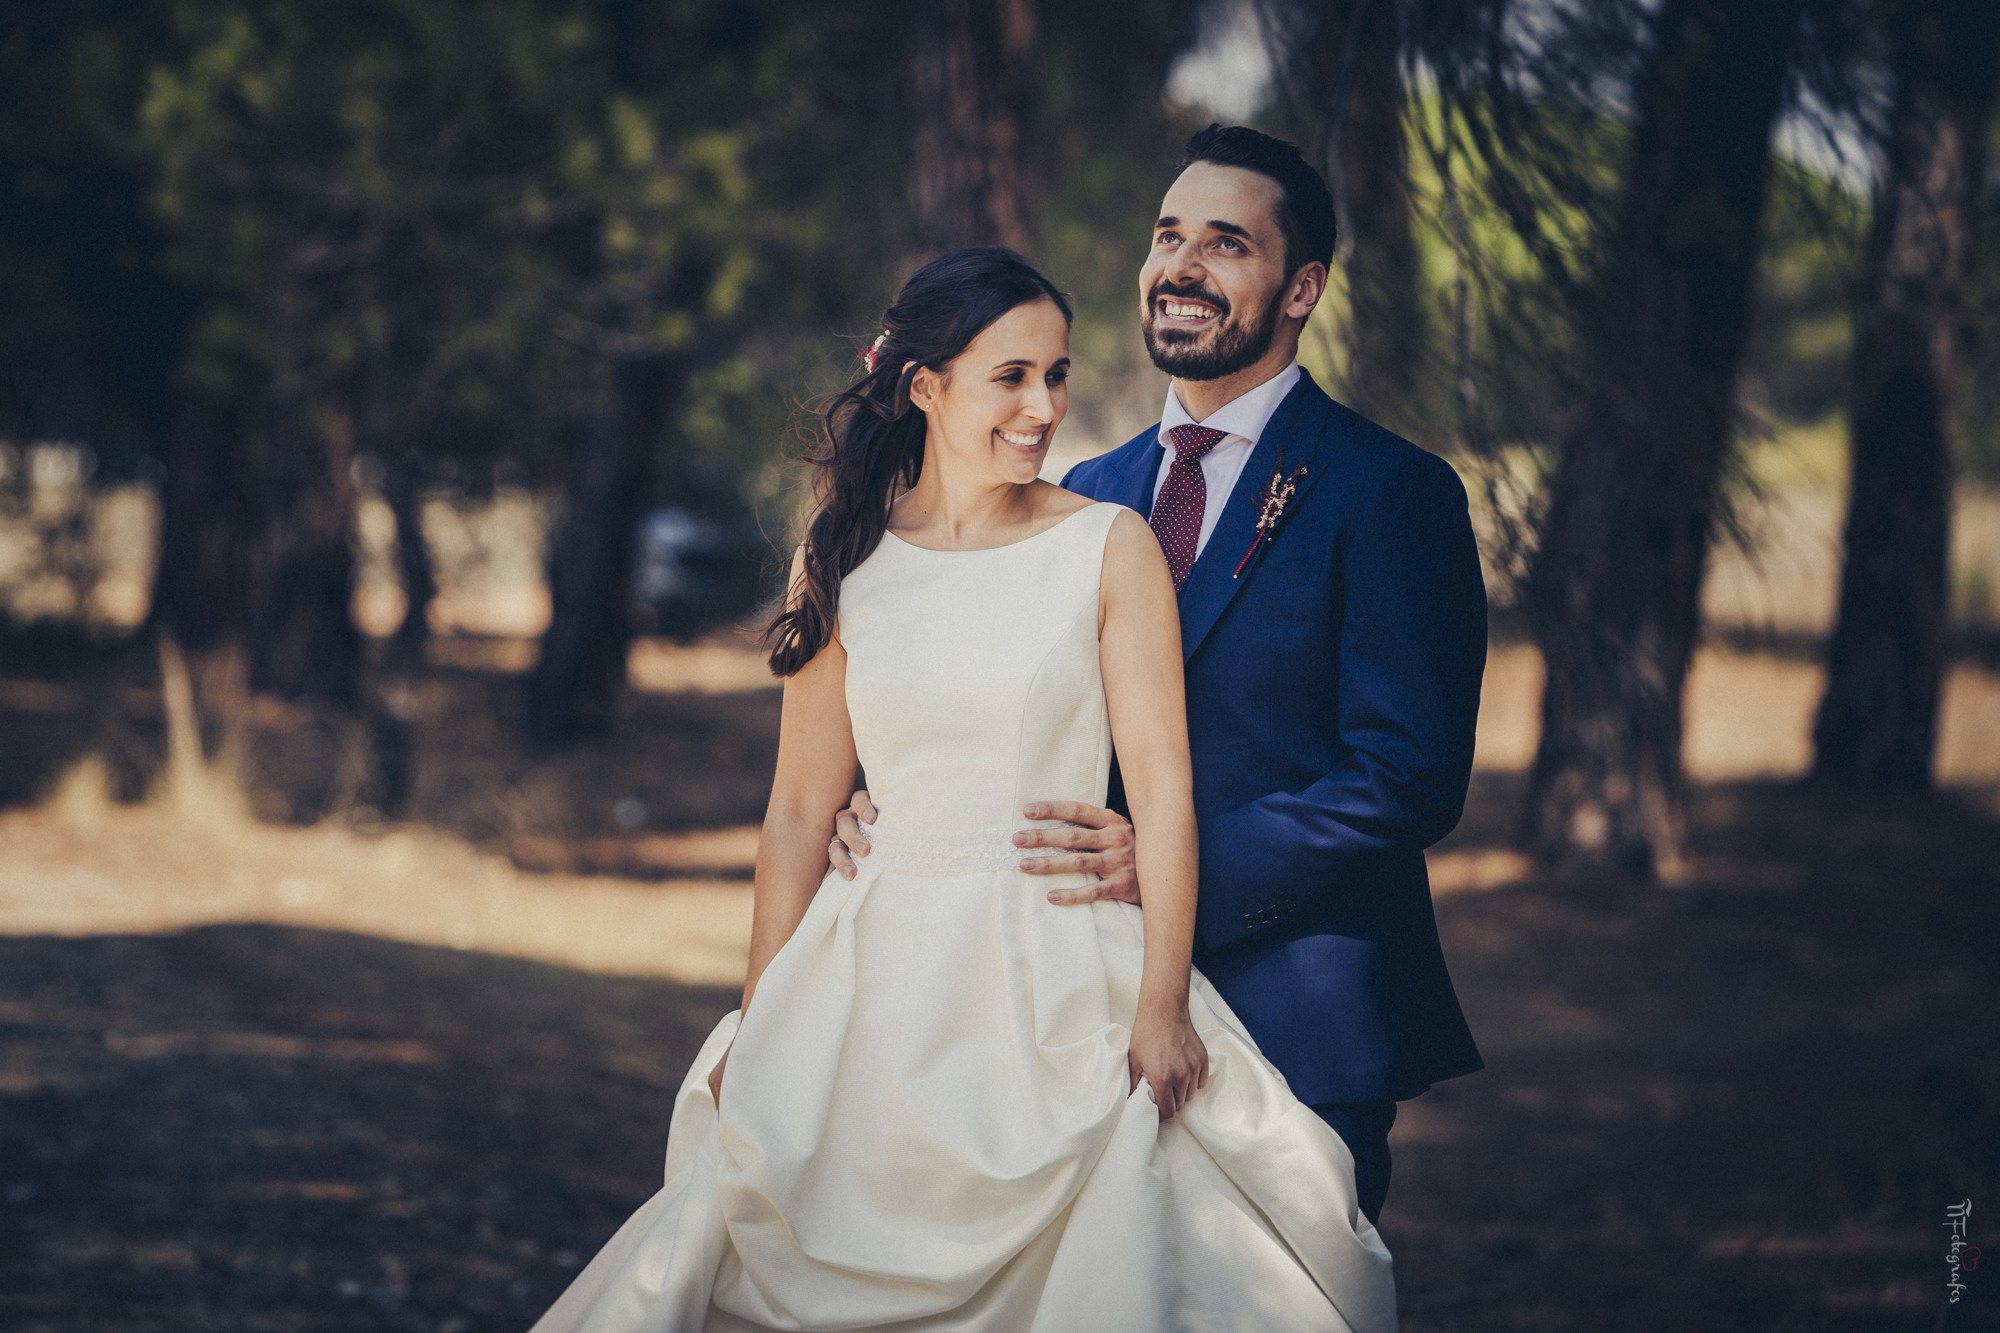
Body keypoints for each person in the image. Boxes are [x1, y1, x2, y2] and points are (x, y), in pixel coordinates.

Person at [530, 247, 1396, 1331]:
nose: (1042, 406)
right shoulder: (841, 556)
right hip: (869, 975)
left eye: (1057, 373)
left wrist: (1163, 1005)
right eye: (1010, 376)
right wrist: (760, 1024)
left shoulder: (1106, 547)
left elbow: (1162, 795)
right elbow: (800, 810)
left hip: (1059, 971)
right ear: (923, 386)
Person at [835, 125, 1488, 1228]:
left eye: (1226, 243)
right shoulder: (1084, 488)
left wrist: (1165, 870)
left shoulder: (1390, 492)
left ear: (1301, 288)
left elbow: (1405, 776)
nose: (1180, 266)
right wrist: (882, 808)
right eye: (1166, 235)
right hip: (1059, 1007)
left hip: (1295, 1004)